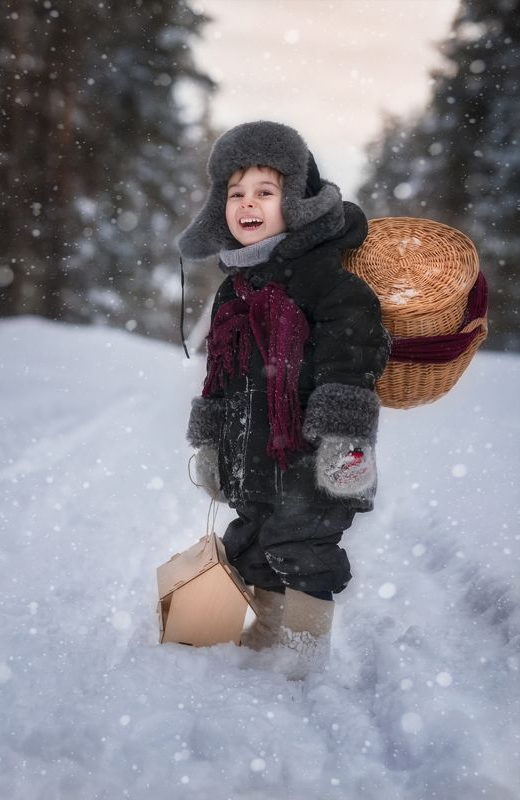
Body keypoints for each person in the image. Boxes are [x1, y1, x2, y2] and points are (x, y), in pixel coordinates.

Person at [178, 121, 390, 679]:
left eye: (265, 192)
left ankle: (302, 659)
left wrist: (344, 440)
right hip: (253, 457)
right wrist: (210, 440)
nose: (248, 204)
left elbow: (354, 356)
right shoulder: (235, 287)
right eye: (235, 193)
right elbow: (219, 377)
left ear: (295, 202)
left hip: (310, 459)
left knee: (306, 551)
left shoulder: (328, 282)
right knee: (252, 546)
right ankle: (264, 640)